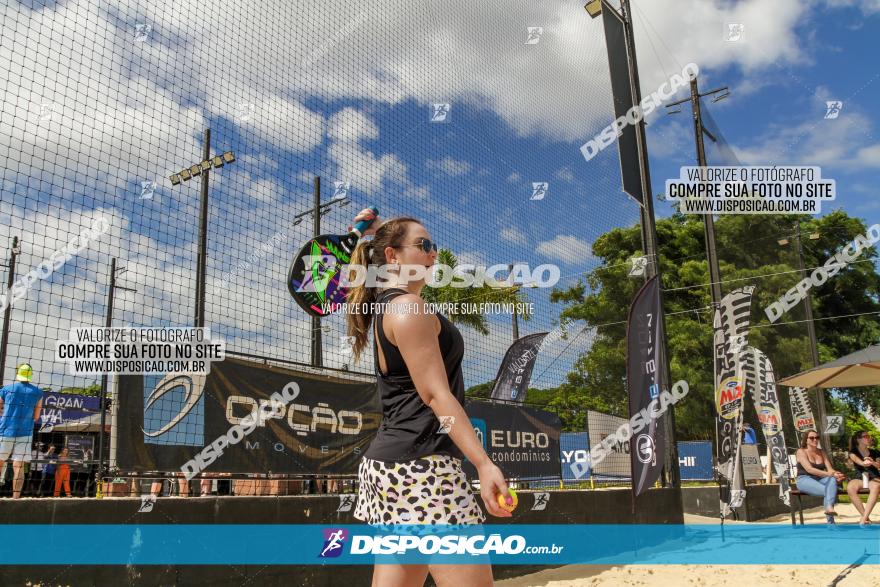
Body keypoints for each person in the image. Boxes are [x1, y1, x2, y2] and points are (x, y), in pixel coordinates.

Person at [346, 209, 511, 587]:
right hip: (422, 471)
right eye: (424, 246)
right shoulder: (407, 308)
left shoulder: (391, 305)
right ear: (392, 256)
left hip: (392, 468)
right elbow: (436, 396)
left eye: (433, 246)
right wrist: (483, 464)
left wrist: (366, 234)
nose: (434, 253)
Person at [0, 363, 44, 498]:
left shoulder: (6, 389)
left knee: (0, 462)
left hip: (6, 429)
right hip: (25, 432)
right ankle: (16, 497)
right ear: (30, 375)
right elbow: (36, 417)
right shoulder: (38, 392)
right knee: (18, 467)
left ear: (17, 373)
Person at [795, 429, 845, 524]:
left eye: (817, 437)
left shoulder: (822, 452)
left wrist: (836, 474)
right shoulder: (801, 451)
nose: (815, 440)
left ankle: (829, 510)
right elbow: (809, 469)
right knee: (829, 490)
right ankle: (831, 523)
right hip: (804, 479)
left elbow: (830, 469)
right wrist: (830, 474)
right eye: (812, 438)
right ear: (806, 440)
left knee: (833, 480)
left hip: (819, 479)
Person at [846, 431, 880, 526]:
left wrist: (872, 462)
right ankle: (866, 518)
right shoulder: (853, 452)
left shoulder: (875, 452)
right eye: (866, 436)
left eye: (869, 436)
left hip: (874, 477)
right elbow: (858, 461)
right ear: (858, 439)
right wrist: (864, 462)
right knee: (850, 487)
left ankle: (864, 518)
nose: (869, 438)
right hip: (860, 478)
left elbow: (879, 465)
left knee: (876, 486)